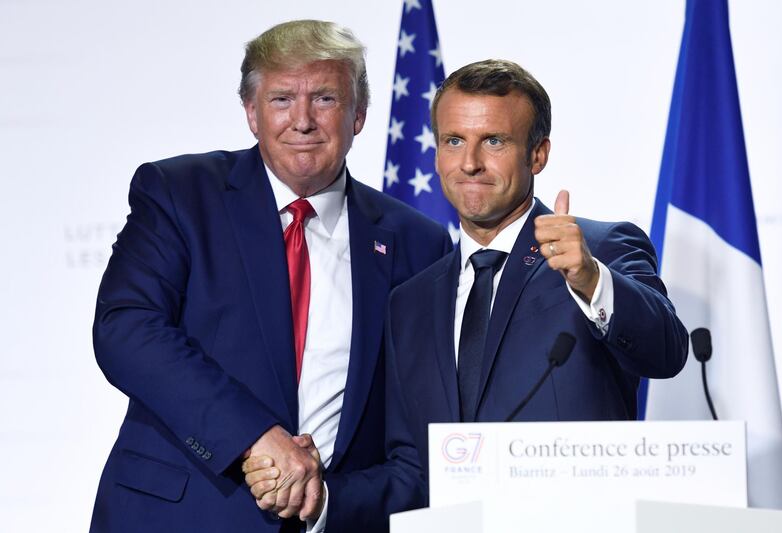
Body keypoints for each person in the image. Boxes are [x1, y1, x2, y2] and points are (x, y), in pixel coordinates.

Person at [89, 20, 451, 533]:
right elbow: (126, 330)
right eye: (282, 99)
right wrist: (254, 436)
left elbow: (416, 434)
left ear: (360, 115)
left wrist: (328, 502)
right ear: (251, 113)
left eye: (325, 98)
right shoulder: (179, 193)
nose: (302, 121)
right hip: (176, 516)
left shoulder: (418, 242)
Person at [379, 59, 689, 504]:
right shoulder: (408, 302)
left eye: (494, 141)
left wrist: (590, 279)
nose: (469, 163)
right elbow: (408, 463)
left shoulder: (598, 249)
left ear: (538, 153)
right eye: (453, 140)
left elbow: (667, 351)